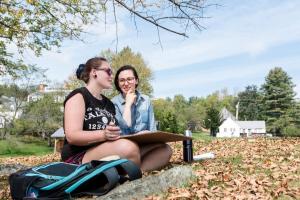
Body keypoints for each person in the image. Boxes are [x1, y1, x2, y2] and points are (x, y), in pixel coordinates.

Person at [61, 57, 140, 166]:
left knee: (162, 150)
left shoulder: (109, 104)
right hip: (79, 155)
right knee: (129, 148)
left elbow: (119, 130)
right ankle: (128, 173)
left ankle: (125, 173)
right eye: (108, 71)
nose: (112, 76)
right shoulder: (79, 96)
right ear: (94, 72)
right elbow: (72, 136)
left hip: (107, 152)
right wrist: (103, 134)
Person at [112, 65, 172, 171]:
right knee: (131, 152)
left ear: (136, 80)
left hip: (144, 146)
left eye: (129, 79)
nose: (126, 83)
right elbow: (123, 129)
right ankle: (134, 169)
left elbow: (152, 129)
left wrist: (149, 135)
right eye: (122, 80)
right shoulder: (113, 103)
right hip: (126, 149)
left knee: (166, 149)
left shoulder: (146, 100)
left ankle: (136, 173)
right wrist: (128, 104)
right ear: (118, 83)